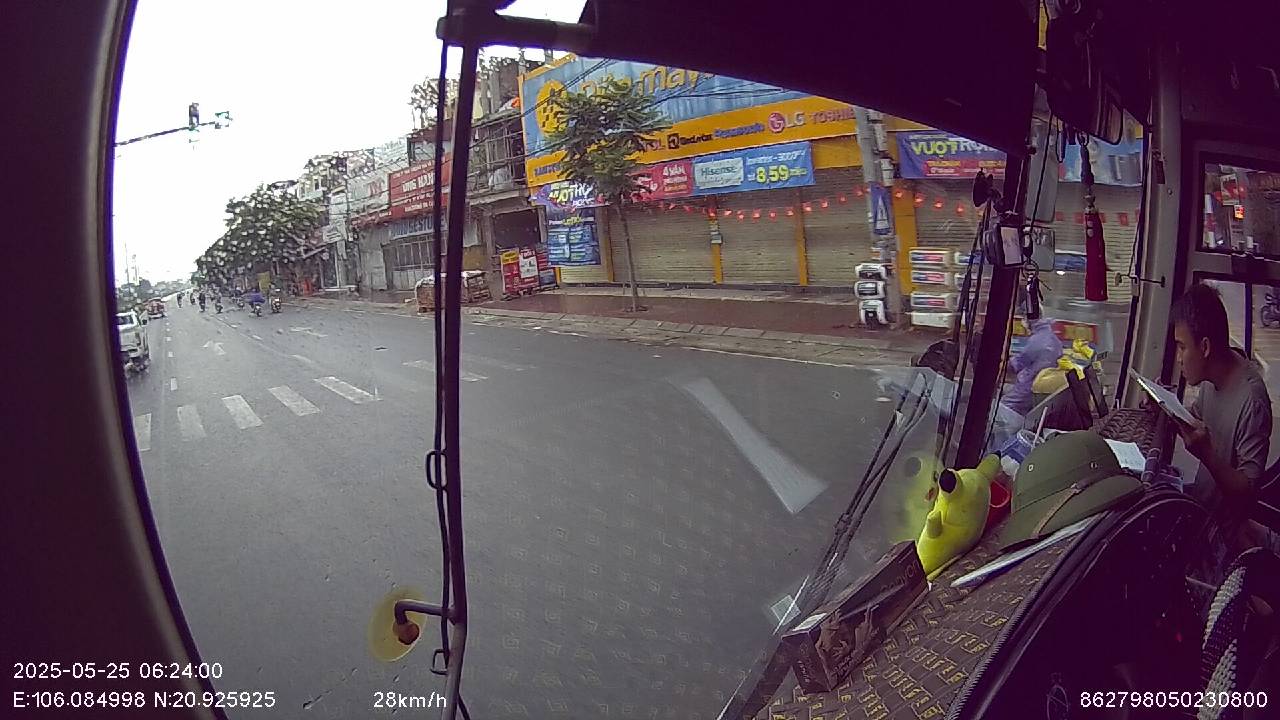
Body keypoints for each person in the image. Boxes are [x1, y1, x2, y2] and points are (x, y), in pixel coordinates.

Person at [1174, 283, 1275, 613]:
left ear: (1204, 346)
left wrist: (1206, 454)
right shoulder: (1212, 382)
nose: (1178, 358)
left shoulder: (1251, 399)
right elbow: (1198, 419)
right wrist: (1166, 410)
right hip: (1202, 513)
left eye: (1181, 347)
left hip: (1223, 540)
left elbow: (1247, 494)